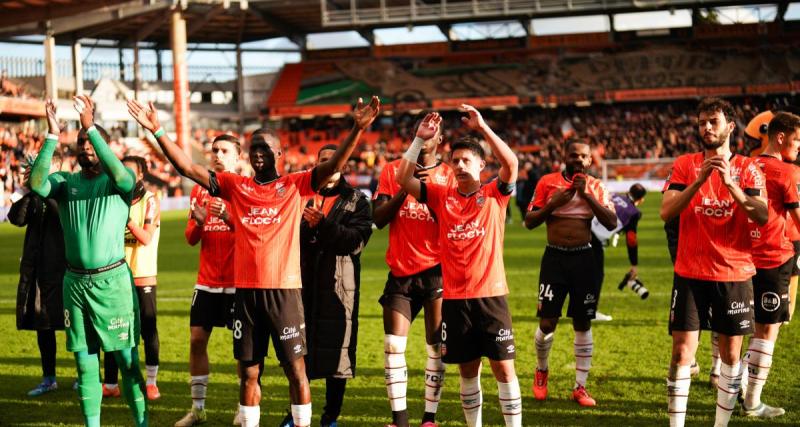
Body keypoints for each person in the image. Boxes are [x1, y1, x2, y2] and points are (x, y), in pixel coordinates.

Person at [127, 96, 380, 427]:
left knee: (296, 370)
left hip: (285, 294)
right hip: (246, 296)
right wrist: (158, 130)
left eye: (265, 146)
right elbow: (188, 168)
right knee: (249, 372)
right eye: (254, 145)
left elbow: (332, 168)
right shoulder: (236, 186)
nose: (259, 150)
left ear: (279, 155)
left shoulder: (295, 184)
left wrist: (357, 130)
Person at [396, 108, 522, 427]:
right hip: (454, 300)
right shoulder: (440, 196)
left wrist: (483, 128)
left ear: (481, 165)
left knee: (503, 369)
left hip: (491, 297)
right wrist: (419, 140)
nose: (461, 165)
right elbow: (402, 178)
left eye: (467, 160)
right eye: (456, 161)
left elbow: (512, 164)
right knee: (467, 370)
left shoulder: (495, 194)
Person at [30, 97, 147, 427]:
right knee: (84, 365)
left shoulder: (118, 182)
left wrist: (90, 126)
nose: (86, 147)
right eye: (81, 142)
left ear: (103, 146)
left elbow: (125, 178)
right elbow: (37, 184)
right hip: (75, 284)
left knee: (127, 362)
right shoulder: (66, 183)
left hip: (112, 283)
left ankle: (142, 424)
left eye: (91, 142)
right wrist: (52, 134)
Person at [660, 97, 767, 427]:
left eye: (713, 122)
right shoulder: (685, 164)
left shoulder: (749, 168)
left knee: (730, 355)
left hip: (734, 273)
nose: (706, 127)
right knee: (681, 353)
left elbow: (762, 215)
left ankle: (721, 424)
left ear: (730, 127)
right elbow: (667, 211)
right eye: (702, 122)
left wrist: (730, 184)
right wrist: (699, 181)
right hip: (690, 272)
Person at [372, 113, 454, 427]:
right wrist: (406, 189)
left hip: (436, 271)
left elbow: (451, 222)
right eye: (422, 133)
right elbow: (378, 219)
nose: (426, 139)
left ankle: (429, 418)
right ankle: (400, 420)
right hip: (401, 272)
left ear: (441, 141)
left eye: (433, 133)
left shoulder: (448, 175)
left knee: (436, 348)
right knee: (393, 345)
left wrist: (427, 194)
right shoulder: (392, 171)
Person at [524, 138, 617, 407]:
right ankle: (541, 370)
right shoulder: (546, 182)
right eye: (574, 155)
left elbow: (611, 222)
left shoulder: (597, 186)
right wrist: (554, 203)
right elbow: (529, 221)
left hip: (584, 258)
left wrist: (586, 194)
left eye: (584, 156)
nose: (579, 159)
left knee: (583, 322)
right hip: (554, 258)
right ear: (564, 156)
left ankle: (580, 386)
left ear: (590, 160)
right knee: (547, 322)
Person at [298, 144, 373, 427]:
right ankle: (297, 414)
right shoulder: (302, 196)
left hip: (340, 288)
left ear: (343, 164)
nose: (328, 165)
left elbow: (355, 242)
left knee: (338, 356)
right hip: (303, 286)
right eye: (322, 161)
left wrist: (323, 225)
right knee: (298, 355)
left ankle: (330, 417)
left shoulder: (357, 200)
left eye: (333, 160)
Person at [175, 134, 241, 426]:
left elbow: (254, 237)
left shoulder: (244, 190)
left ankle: (244, 407)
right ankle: (198, 409)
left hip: (239, 283)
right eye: (214, 150)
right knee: (197, 340)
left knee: (244, 350)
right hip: (207, 282)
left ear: (238, 157)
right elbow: (189, 239)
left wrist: (228, 217)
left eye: (225, 151)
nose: (218, 155)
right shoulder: (199, 192)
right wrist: (200, 223)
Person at [739, 111, 800, 419]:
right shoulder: (787, 172)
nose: (799, 146)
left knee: (741, 327)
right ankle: (751, 402)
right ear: (781, 137)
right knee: (767, 330)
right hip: (774, 258)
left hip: (740, 259)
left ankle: (734, 386)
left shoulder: (744, 166)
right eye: (797, 139)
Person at [103, 155, 161, 400]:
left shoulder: (150, 201)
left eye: (129, 171)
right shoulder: (114, 199)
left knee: (147, 330)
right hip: (115, 275)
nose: (123, 174)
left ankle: (151, 382)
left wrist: (125, 220)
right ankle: (110, 383)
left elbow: (146, 238)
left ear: (140, 175)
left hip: (143, 276)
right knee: (113, 329)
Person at [9, 149, 66, 396]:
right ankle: (49, 378)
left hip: (66, 269)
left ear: (57, 167)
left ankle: (87, 375)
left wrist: (41, 187)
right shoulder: (33, 196)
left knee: (77, 325)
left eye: (46, 166)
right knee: (44, 326)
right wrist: (25, 190)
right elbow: (16, 219)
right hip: (39, 271)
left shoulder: (64, 191)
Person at [589, 183, 647, 319]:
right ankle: (590, 311)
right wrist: (634, 264)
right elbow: (631, 239)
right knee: (596, 275)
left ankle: (578, 307)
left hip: (583, 227)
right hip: (594, 239)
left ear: (628, 190)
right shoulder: (633, 213)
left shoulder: (614, 195)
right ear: (641, 200)